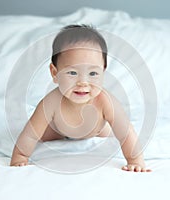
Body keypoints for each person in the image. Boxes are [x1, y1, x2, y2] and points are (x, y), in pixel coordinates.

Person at [10, 24, 151, 172]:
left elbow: (126, 133)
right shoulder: (50, 103)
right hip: (58, 130)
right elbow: (29, 135)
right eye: (72, 72)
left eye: (92, 74)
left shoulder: (105, 101)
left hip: (96, 130)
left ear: (103, 72)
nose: (82, 82)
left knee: (113, 131)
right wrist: (20, 156)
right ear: (54, 73)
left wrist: (134, 160)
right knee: (38, 132)